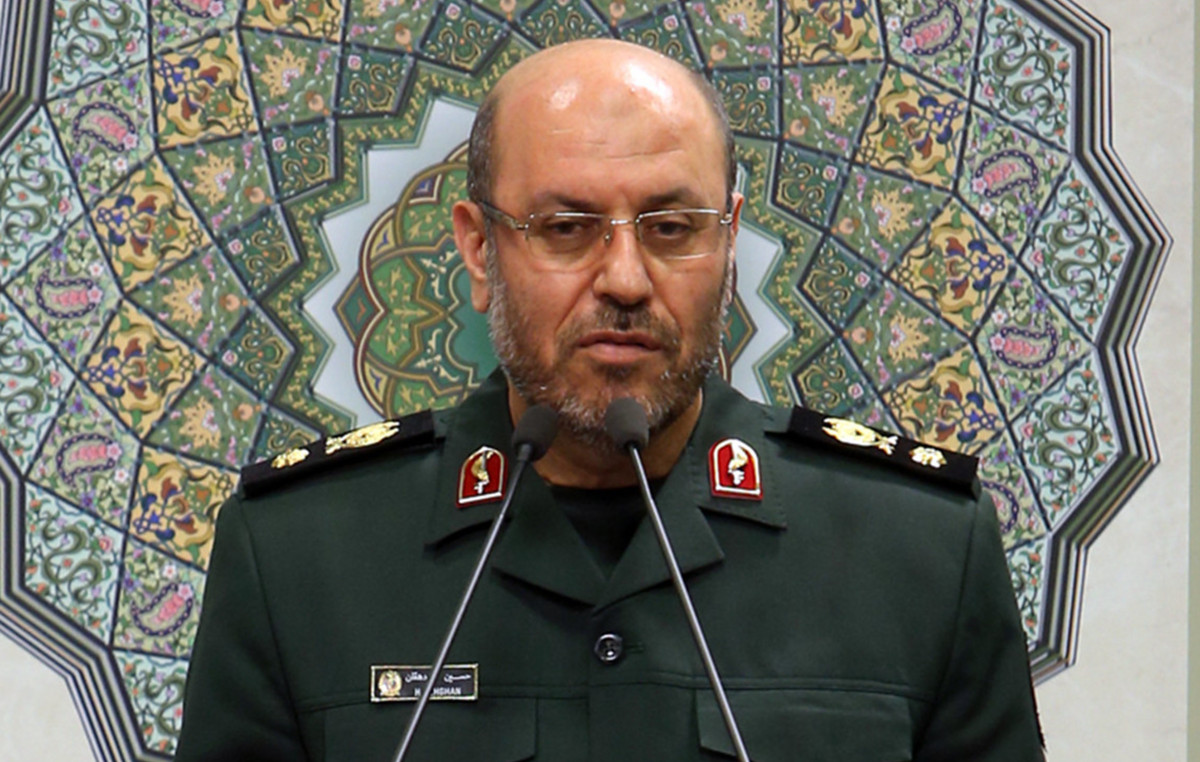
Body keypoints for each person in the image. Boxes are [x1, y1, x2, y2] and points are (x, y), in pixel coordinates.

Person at [176, 39, 1045, 761]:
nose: (625, 279)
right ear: (479, 250)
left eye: (671, 229)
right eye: (565, 229)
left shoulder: (920, 551)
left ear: (730, 241)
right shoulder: (297, 559)